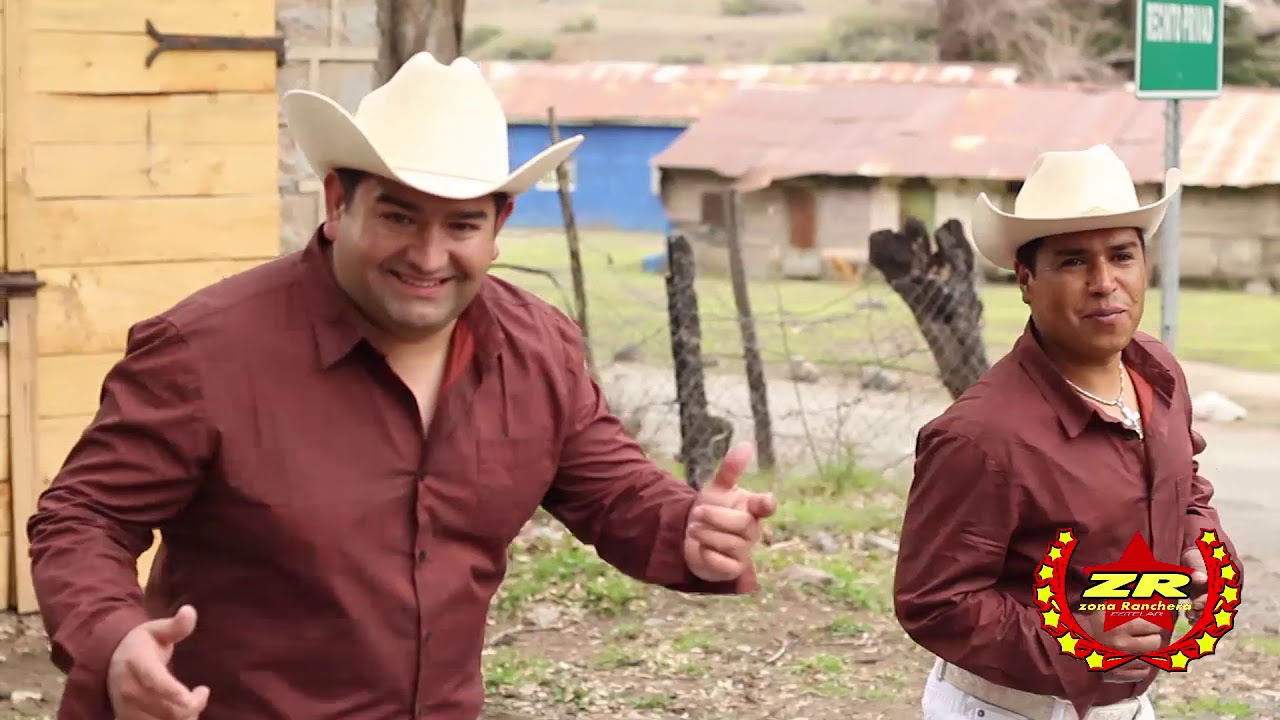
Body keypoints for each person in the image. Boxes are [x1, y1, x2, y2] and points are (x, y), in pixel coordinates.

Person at [26, 52, 777, 720]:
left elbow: (613, 495)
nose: (428, 255)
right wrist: (115, 637)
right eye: (398, 216)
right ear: (335, 204)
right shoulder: (205, 353)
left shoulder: (537, 349)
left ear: (499, 223)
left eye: (461, 225)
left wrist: (687, 528)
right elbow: (82, 517)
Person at [893, 144, 1239, 720]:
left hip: (1127, 704)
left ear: (1145, 266)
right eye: (1074, 261)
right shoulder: (981, 436)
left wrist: (1200, 547)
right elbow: (935, 602)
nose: (1105, 283)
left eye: (1122, 256)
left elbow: (1186, 482)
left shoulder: (1156, 372)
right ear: (1027, 279)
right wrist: (1077, 640)